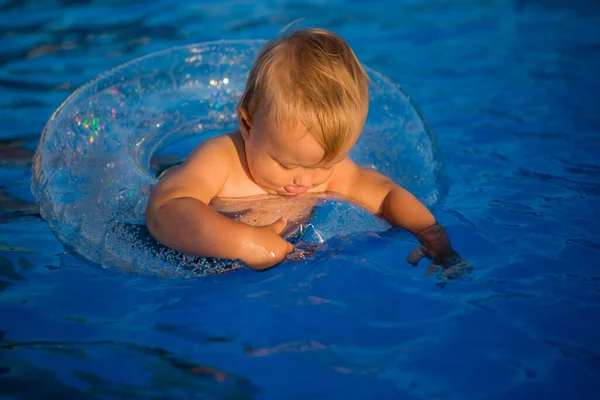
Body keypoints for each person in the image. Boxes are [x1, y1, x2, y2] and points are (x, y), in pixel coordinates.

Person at [145, 27, 468, 274]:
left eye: (324, 164)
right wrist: (245, 242)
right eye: (285, 164)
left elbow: (384, 195)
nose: (303, 181)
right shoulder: (221, 160)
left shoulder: (322, 173)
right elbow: (165, 209)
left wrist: (429, 232)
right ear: (246, 125)